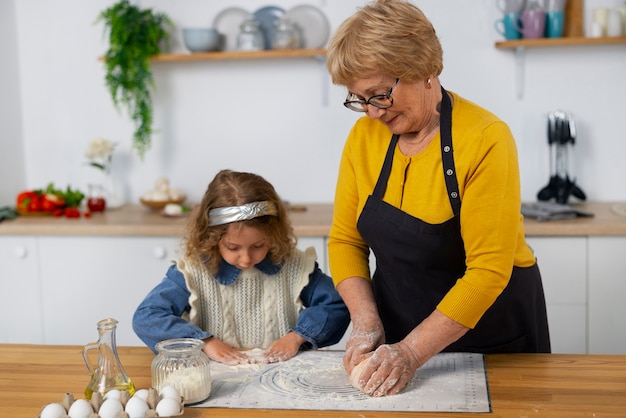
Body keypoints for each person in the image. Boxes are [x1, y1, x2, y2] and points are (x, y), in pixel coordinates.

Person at [325, 0, 551, 397]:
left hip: (492, 338)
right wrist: (366, 322)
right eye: (359, 100)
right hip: (397, 338)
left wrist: (412, 352)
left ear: (424, 69)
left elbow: (486, 272)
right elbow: (345, 241)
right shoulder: (364, 138)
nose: (372, 114)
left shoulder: (484, 137)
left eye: (378, 94)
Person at [133, 169, 350, 365]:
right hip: (216, 382)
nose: (246, 259)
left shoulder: (294, 266)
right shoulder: (193, 271)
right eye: (233, 247)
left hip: (281, 376)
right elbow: (147, 317)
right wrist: (204, 342)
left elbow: (338, 303)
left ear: (273, 235)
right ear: (211, 238)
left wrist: (296, 337)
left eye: (258, 245)